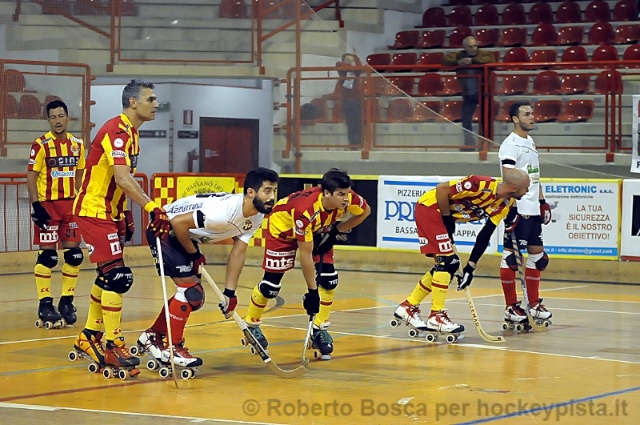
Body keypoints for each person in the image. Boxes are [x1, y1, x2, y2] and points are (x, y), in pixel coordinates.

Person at [72, 80, 171, 374]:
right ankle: (113, 344)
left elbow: (119, 182)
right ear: (133, 102)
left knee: (107, 276)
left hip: (110, 212)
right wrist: (151, 207)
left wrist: (124, 212)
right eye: (151, 99)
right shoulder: (116, 130)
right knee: (118, 277)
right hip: (94, 210)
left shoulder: (133, 133)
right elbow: (124, 178)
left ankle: (89, 336)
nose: (156, 104)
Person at [136, 167, 280, 369]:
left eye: (274, 191)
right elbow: (178, 223)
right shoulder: (222, 213)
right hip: (165, 227)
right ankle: (173, 348)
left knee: (195, 297)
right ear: (250, 192)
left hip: (184, 234)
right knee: (191, 292)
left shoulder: (256, 216)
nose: (272, 197)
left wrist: (230, 293)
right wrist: (194, 255)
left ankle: (153, 335)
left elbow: (238, 252)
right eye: (267, 191)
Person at [244, 168, 371, 360]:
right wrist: (312, 292)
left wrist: (335, 233)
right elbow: (305, 255)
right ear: (327, 193)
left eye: (347, 194)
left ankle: (320, 328)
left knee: (329, 280)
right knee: (270, 286)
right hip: (283, 231)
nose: (346, 199)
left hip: (318, 229)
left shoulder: (348, 197)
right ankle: (251, 324)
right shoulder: (305, 211)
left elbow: (365, 212)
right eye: (341, 195)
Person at [394, 169, 530, 336]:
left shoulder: (505, 204)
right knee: (447, 262)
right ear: (514, 187)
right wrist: (447, 219)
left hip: (441, 216)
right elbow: (442, 189)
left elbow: (485, 234)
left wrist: (471, 266)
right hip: (430, 209)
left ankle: (408, 306)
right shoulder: (480, 184)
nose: (527, 191)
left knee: (449, 265)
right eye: (526, 188)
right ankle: (436, 315)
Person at [27, 99, 86, 329]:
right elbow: (31, 177)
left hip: (71, 207)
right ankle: (45, 303)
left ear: (68, 117)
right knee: (48, 257)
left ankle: (67, 301)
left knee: (74, 256)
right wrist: (36, 206)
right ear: (48, 120)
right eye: (53, 117)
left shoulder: (78, 145)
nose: (57, 121)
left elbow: (80, 175)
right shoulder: (41, 145)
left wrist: (81, 201)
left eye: (61, 116)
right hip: (48, 206)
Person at [498, 101, 553, 325]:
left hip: (533, 209)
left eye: (532, 113)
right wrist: (511, 207)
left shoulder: (529, 142)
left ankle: (533, 303)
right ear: (515, 119)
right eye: (527, 114)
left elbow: (535, 175)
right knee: (512, 258)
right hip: (518, 208)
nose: (532, 117)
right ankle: (511, 306)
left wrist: (542, 202)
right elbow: (507, 177)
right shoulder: (510, 145)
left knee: (538, 257)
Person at [443, 36, 494, 151]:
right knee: (465, 119)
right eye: (470, 46)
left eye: (475, 45)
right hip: (469, 94)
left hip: (484, 93)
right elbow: (446, 60)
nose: (474, 48)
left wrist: (473, 61)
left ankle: (486, 144)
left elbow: (491, 59)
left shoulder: (483, 54)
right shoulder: (459, 55)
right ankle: (469, 144)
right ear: (465, 47)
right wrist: (458, 62)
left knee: (486, 120)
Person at [335, 53, 363, 150]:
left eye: (352, 60)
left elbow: (360, 68)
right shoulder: (342, 69)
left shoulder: (356, 72)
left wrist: (356, 57)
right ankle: (353, 144)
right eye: (348, 60)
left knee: (357, 124)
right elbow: (340, 65)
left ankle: (356, 144)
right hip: (346, 101)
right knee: (350, 124)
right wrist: (352, 65)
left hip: (356, 101)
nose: (350, 62)